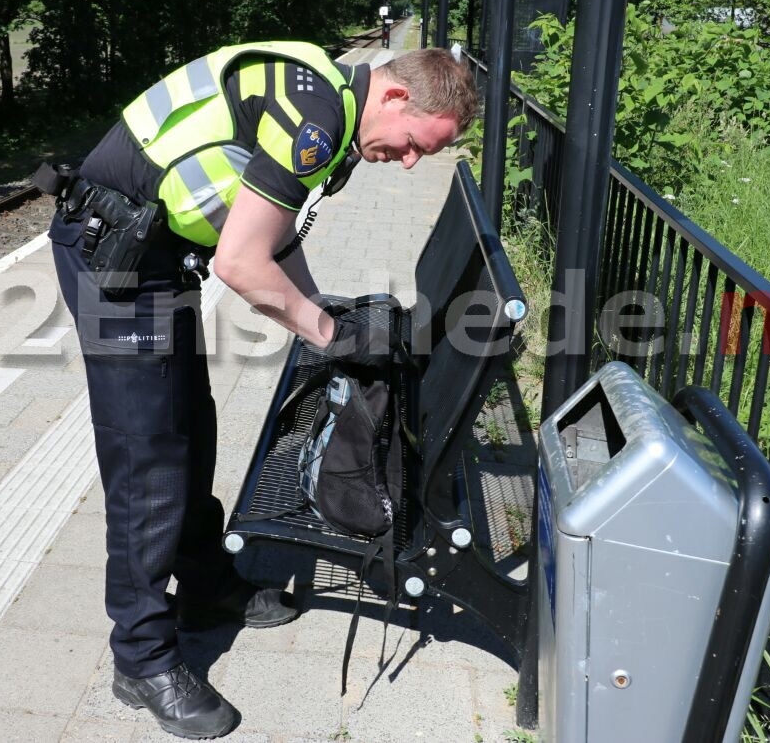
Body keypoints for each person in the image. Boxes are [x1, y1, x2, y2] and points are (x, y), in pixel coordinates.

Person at [44, 42, 477, 739]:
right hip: (111, 257)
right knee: (148, 455)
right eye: (411, 147)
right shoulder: (317, 116)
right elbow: (241, 262)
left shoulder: (328, 102)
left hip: (151, 253)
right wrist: (326, 333)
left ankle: (203, 582)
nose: (405, 162)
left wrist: (319, 319)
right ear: (396, 98)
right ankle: (141, 654)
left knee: (192, 422)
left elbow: (272, 234)